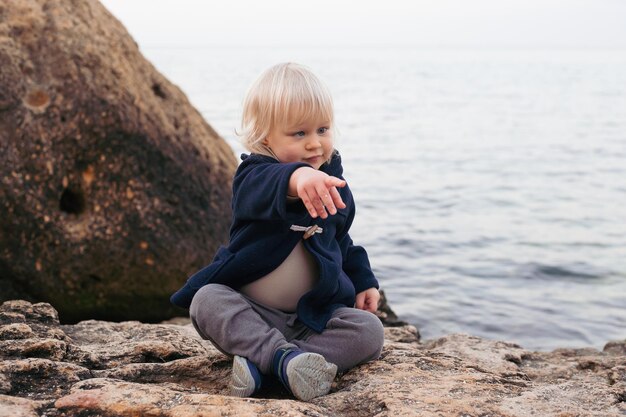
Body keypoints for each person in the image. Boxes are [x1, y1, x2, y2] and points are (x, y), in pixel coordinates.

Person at [170, 62, 384, 401]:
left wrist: (364, 280)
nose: (315, 143)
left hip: (310, 318)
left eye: (323, 129)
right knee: (206, 300)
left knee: (370, 331)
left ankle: (275, 362)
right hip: (252, 310)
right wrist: (299, 178)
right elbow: (266, 186)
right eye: (299, 134)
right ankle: (282, 358)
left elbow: (342, 242)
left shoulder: (335, 187)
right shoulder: (253, 176)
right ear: (266, 137)